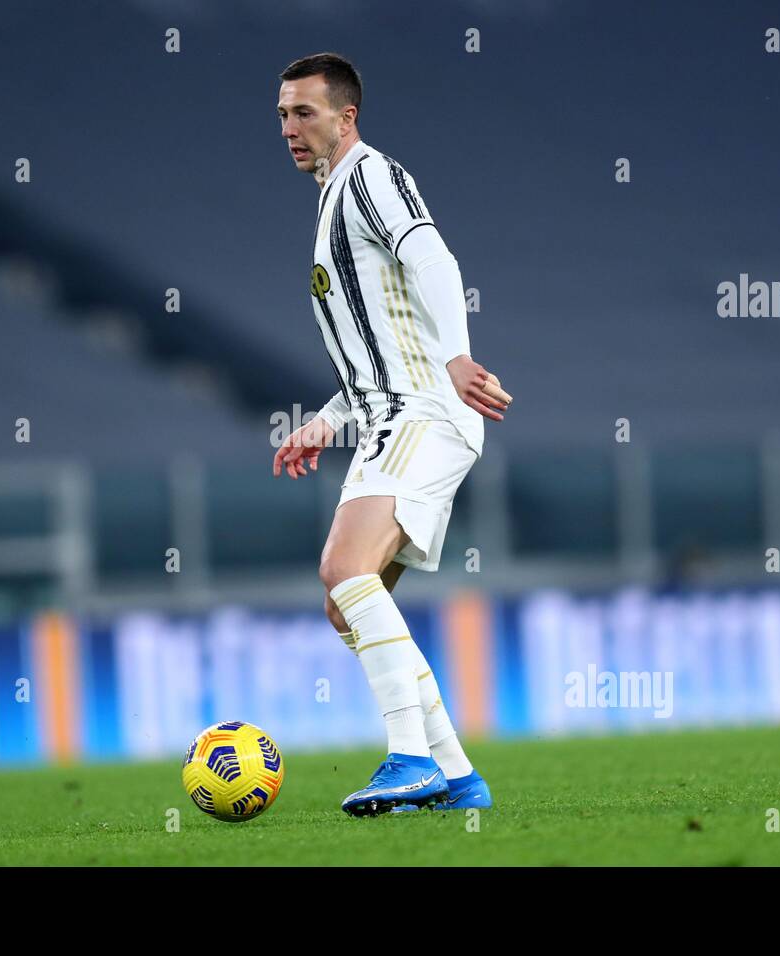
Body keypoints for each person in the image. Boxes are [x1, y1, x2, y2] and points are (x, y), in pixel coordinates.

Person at [272, 53, 513, 815]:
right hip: (387, 411)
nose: (289, 128)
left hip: (422, 410)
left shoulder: (371, 175)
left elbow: (433, 258)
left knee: (344, 567)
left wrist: (458, 357)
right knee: (350, 605)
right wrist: (329, 419)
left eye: (304, 112)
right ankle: (456, 775)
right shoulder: (330, 198)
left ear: (346, 117)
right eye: (281, 114)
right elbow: (380, 340)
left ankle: (408, 757)